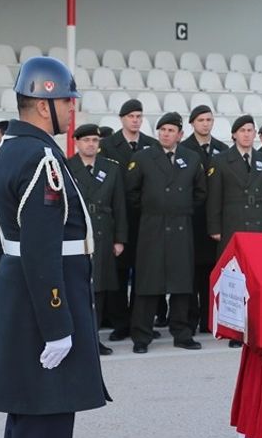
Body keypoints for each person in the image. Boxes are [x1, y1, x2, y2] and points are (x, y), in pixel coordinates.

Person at [0, 56, 108, 438]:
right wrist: (57, 322)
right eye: (66, 102)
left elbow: (3, 239)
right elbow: (40, 249)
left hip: (23, 293)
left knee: (28, 408)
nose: (72, 111)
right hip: (45, 300)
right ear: (43, 104)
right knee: (47, 414)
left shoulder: (10, 150)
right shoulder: (40, 157)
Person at [125, 112, 207, 351]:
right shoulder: (143, 157)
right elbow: (132, 192)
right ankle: (141, 336)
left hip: (181, 227)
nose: (166, 134)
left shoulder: (191, 158)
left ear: (180, 135)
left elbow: (200, 192)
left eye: (171, 130)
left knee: (182, 284)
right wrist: (154, 209)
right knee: (148, 284)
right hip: (153, 227)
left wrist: (181, 208)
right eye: (162, 130)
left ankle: (182, 334)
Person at [66, 124, 128, 356]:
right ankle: (77, 339)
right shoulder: (67, 166)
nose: (91, 144)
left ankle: (94, 338)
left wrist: (120, 238)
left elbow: (119, 205)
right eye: (86, 140)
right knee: (78, 288)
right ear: (77, 142)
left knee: (99, 289)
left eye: (94, 140)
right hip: (78, 233)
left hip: (103, 234)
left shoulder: (110, 168)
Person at [97, 99, 154, 343]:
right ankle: (120, 322)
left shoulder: (151, 145)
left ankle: (141, 321)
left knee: (144, 272)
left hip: (146, 218)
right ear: (121, 119)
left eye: (139, 116)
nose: (135, 120)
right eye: (131, 116)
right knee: (118, 273)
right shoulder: (108, 146)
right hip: (118, 217)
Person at [179, 105, 228, 336]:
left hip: (216, 217)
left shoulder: (222, 149)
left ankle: (210, 319)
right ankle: (190, 318)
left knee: (211, 270)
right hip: (193, 218)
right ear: (192, 123)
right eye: (200, 120)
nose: (205, 124)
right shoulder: (184, 149)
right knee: (191, 272)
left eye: (209, 119)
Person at [206, 115, 262, 253]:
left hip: (259, 223)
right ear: (234, 134)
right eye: (242, 130)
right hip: (232, 222)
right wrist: (214, 228)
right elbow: (214, 197)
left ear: (255, 133)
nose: (246, 134)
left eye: (249, 130)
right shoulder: (220, 160)